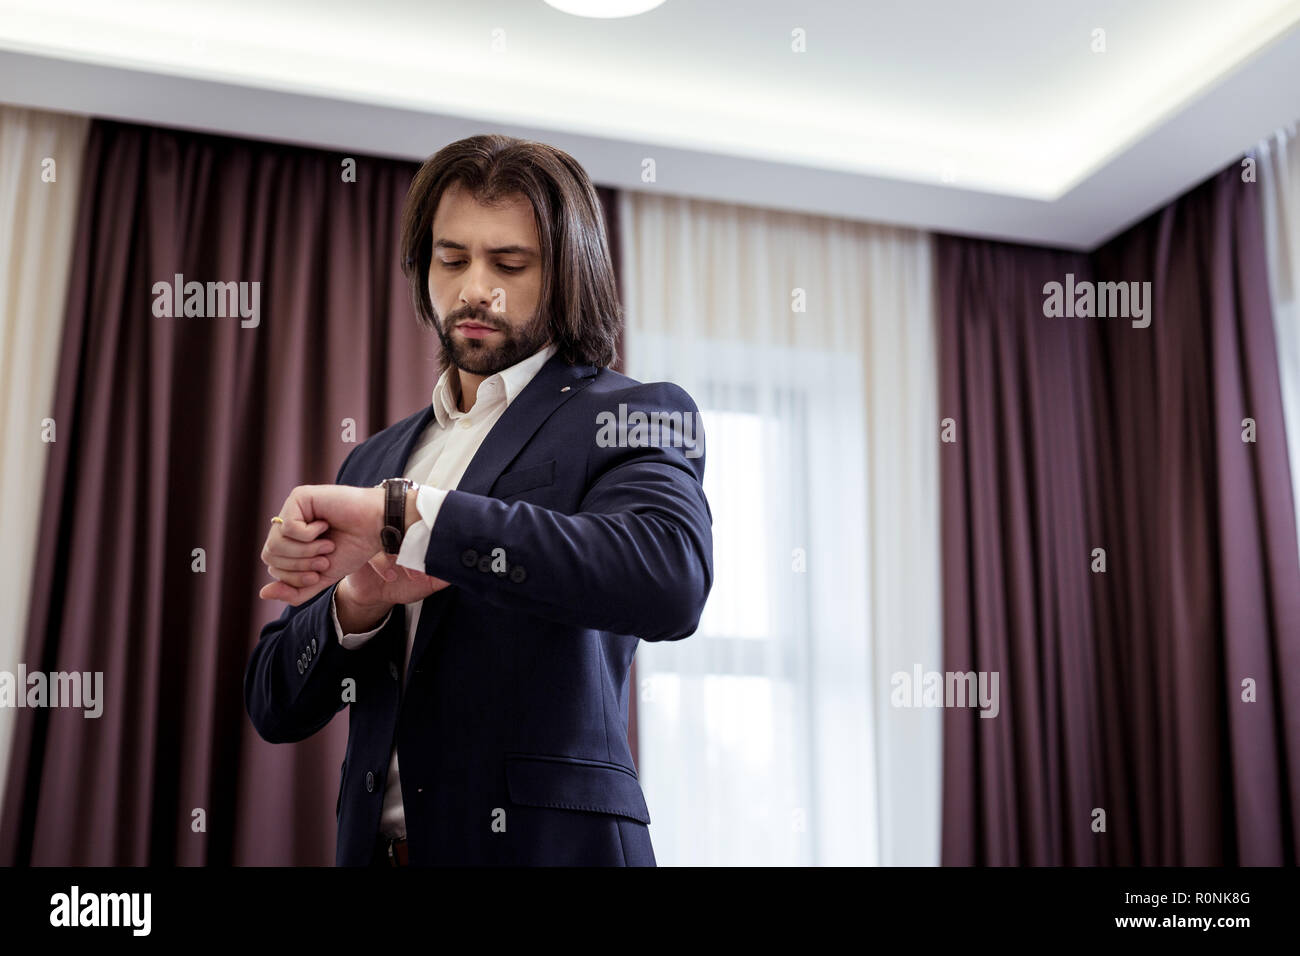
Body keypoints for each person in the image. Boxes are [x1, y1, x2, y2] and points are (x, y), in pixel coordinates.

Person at [243, 134, 713, 866]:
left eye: (509, 263)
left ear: (566, 275)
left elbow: (669, 578)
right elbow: (273, 705)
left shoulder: (637, 413)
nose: (474, 289)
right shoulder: (372, 458)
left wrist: (409, 519)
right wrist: (359, 602)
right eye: (452, 259)